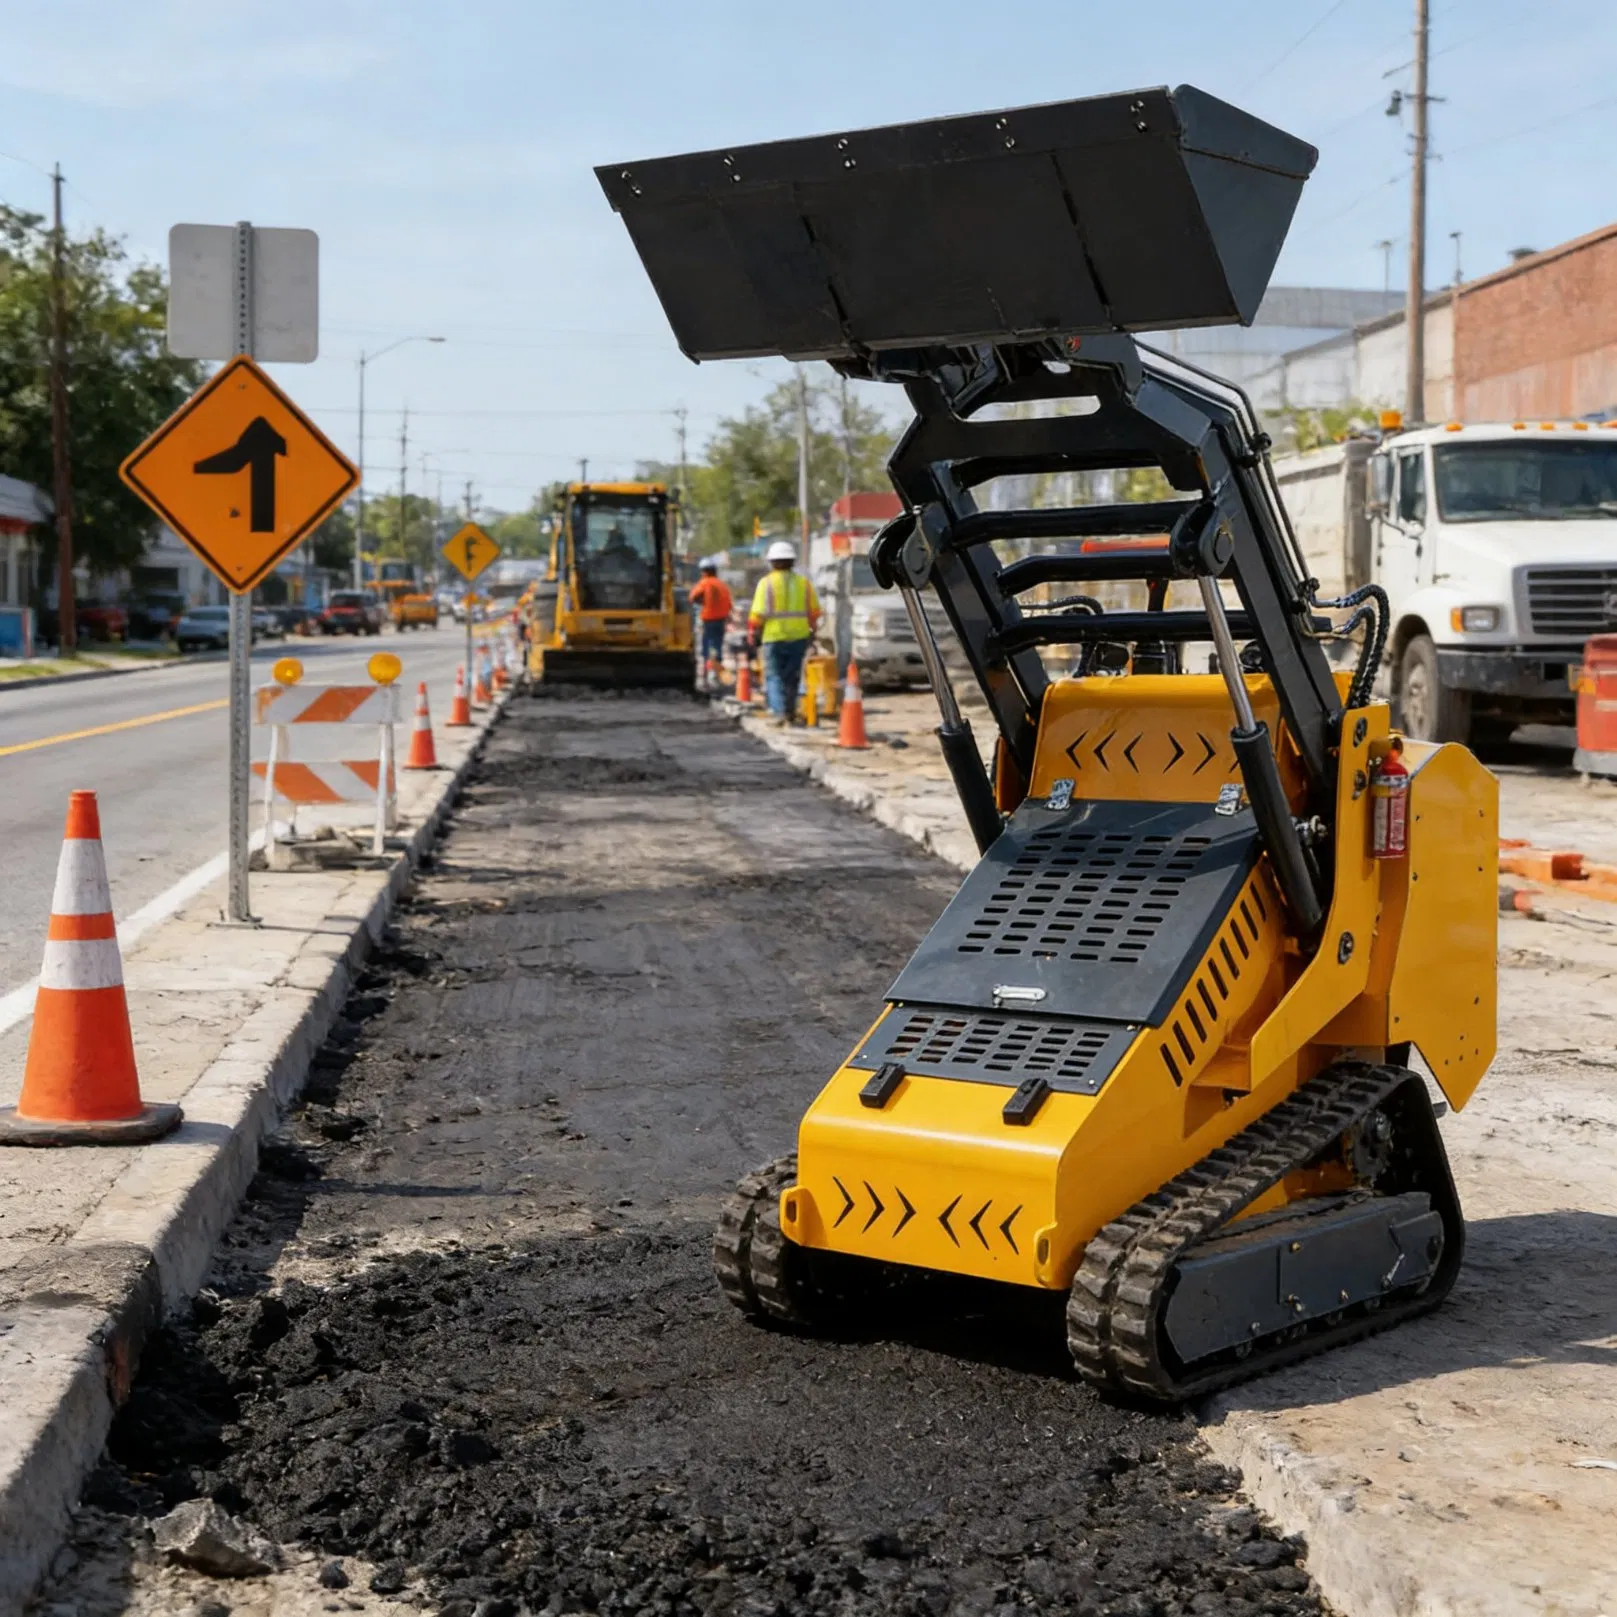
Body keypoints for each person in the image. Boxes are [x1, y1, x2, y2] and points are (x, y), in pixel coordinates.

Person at [748, 540, 821, 722]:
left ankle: (779, 712)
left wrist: (752, 633)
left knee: (774, 676)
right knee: (793, 676)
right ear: (792, 561)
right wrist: (813, 631)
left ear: (772, 562)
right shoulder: (804, 584)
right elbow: (814, 613)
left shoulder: (766, 583)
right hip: (798, 637)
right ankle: (790, 711)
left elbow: (757, 615)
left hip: (774, 637)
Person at [688, 556, 734, 690]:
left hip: (707, 620)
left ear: (703, 571)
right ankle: (715, 677)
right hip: (720, 620)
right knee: (717, 647)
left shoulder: (704, 583)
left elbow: (692, 597)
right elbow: (729, 604)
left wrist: (701, 603)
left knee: (705, 649)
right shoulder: (722, 585)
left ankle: (706, 678)